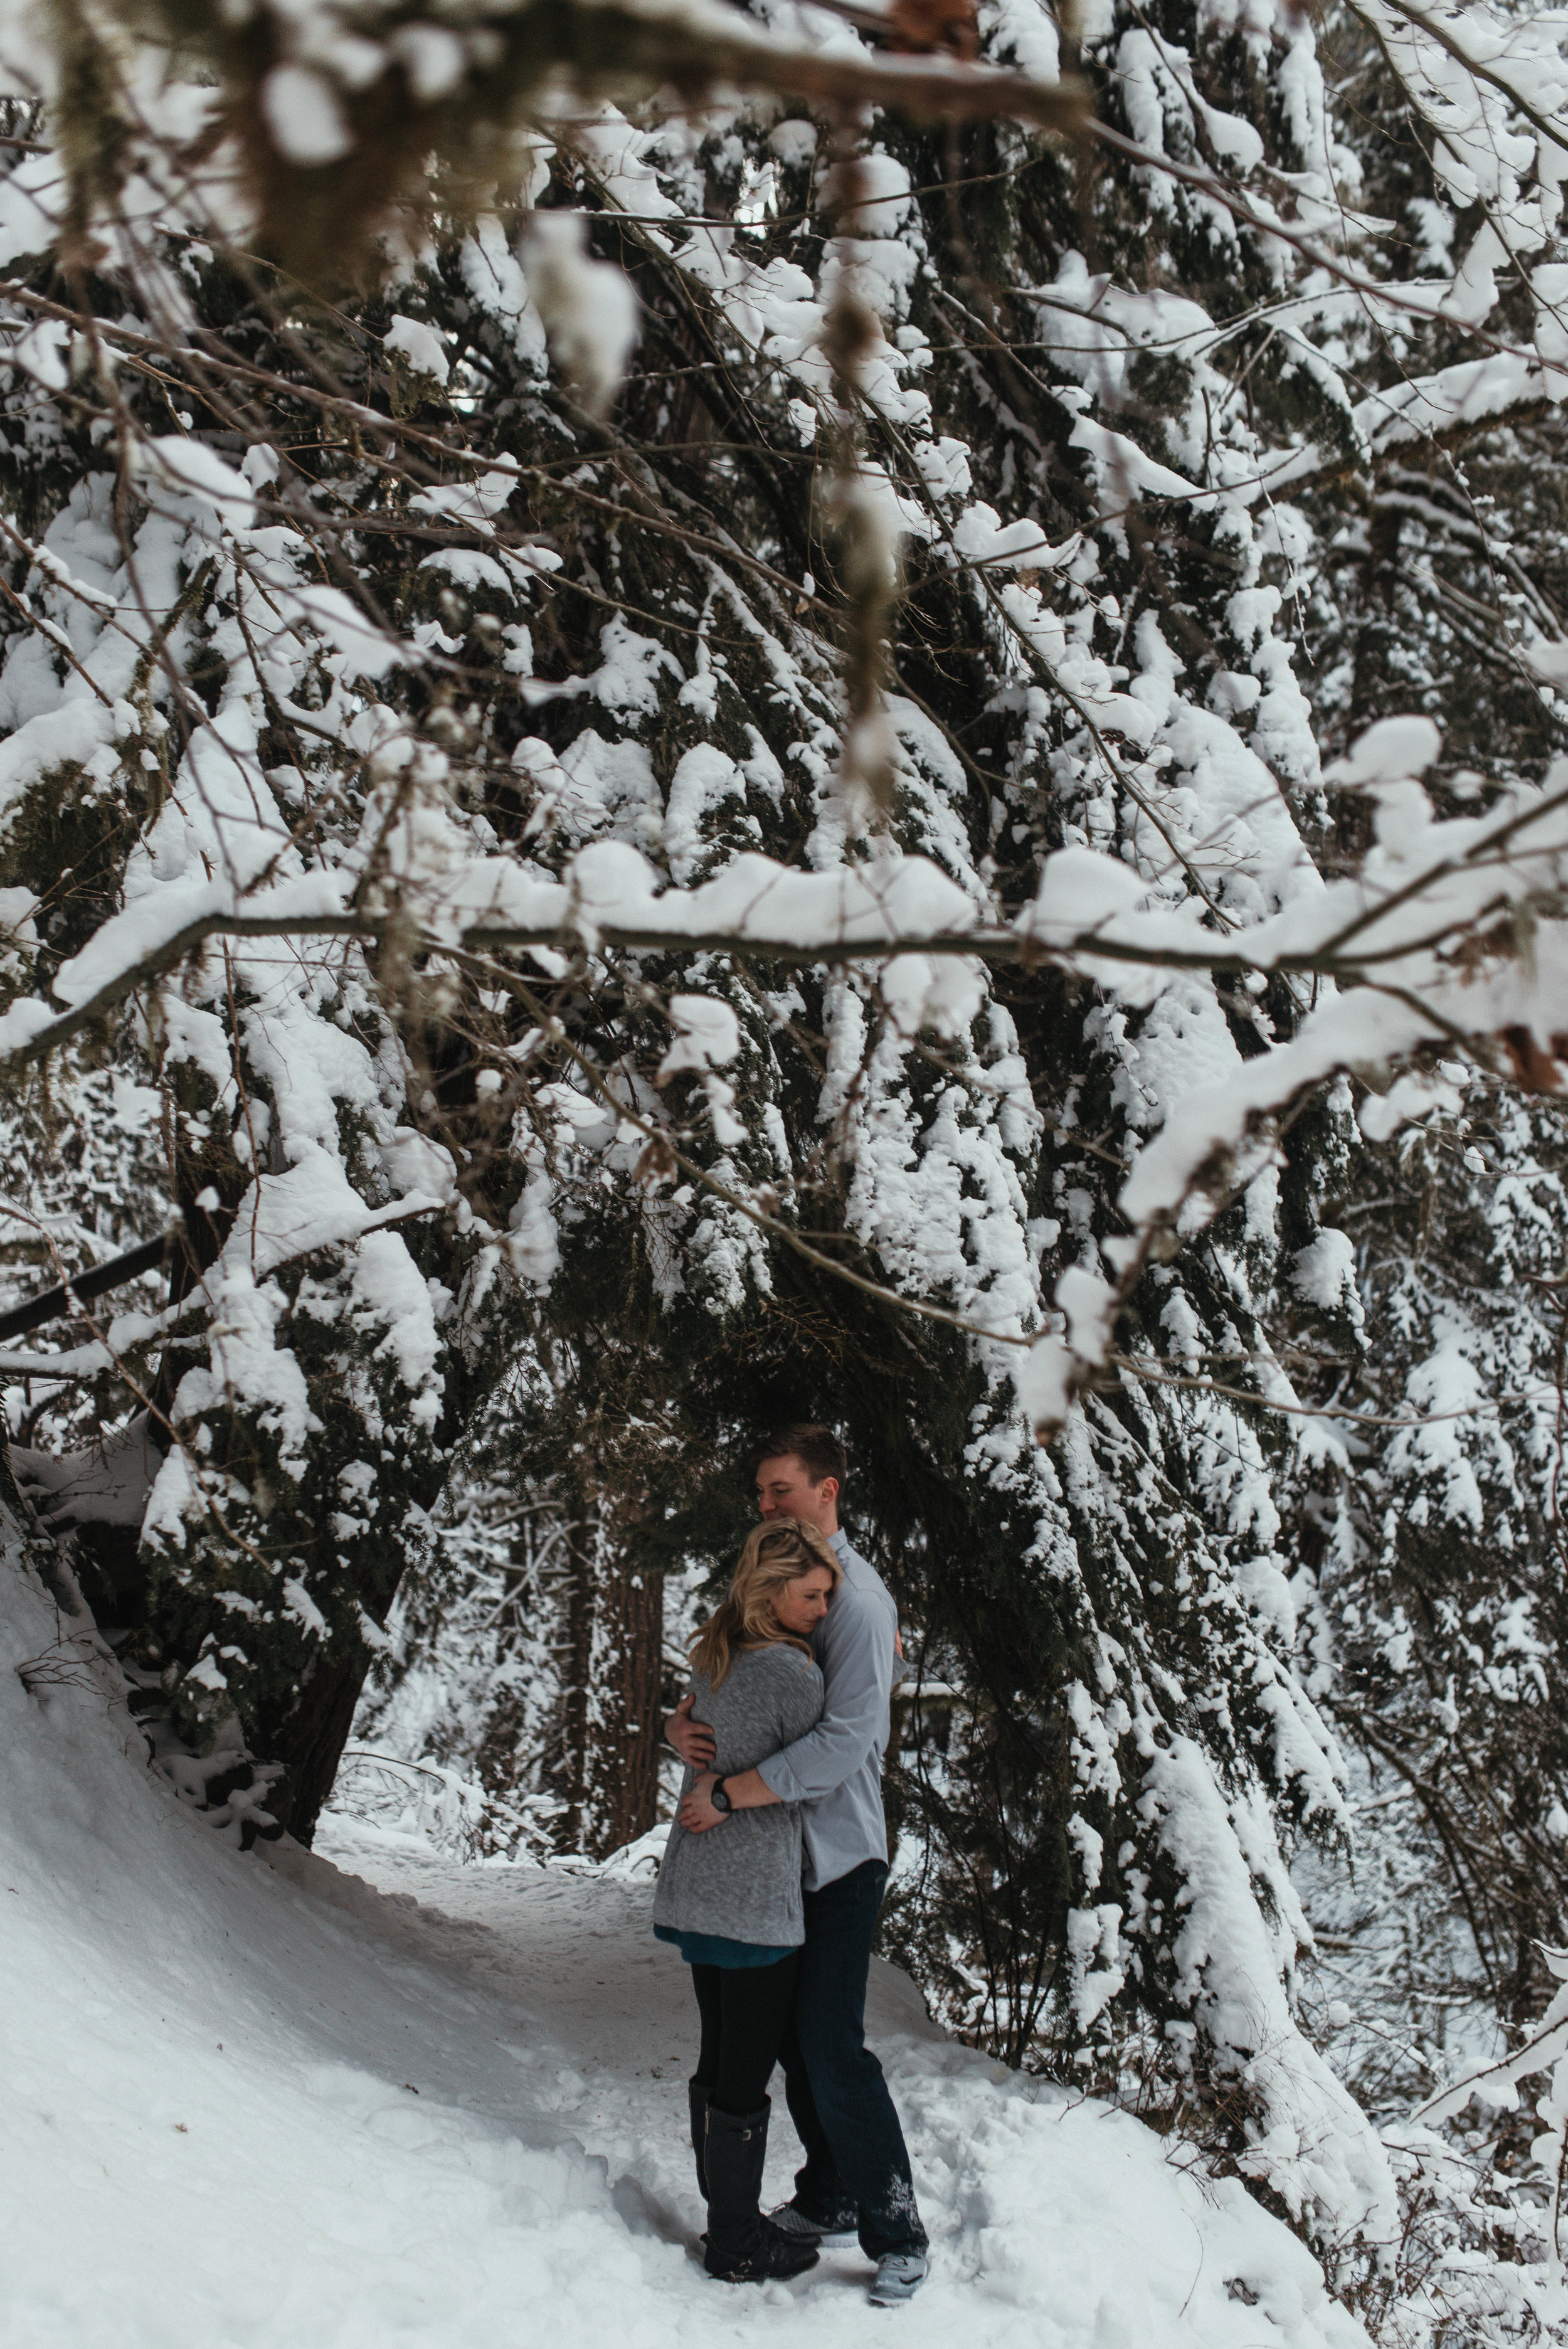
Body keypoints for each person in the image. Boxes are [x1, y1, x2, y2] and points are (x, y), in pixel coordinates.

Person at [667, 1424, 931, 2308]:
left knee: (829, 2044)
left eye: (782, 1488)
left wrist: (736, 1791)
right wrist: (680, 1729)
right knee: (788, 2042)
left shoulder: (853, 1603)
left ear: (829, 1489)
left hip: (837, 1856)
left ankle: (898, 2231)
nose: (767, 1504)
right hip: (773, 1863)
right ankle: (832, 2192)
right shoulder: (780, 1589)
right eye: (762, 1491)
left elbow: (847, 1742)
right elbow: (728, 1695)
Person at [653, 1515, 842, 2284]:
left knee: (716, 2049)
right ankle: (734, 2236)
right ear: (771, 1593)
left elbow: (699, 1731)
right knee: (745, 2069)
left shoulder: (715, 1654)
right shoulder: (790, 1675)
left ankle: (721, 2207)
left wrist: (675, 1728)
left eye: (828, 1596)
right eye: (810, 1596)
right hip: (755, 1897)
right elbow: (831, 1756)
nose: (823, 1611)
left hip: (698, 1885)